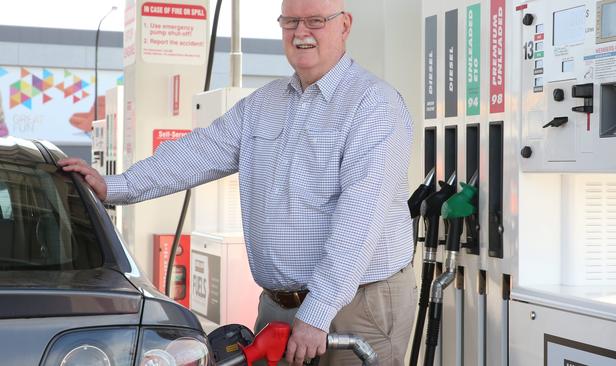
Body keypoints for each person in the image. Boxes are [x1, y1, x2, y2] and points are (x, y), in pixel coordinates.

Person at [58, 0, 416, 364]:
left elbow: (360, 219)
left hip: (356, 302)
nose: (301, 32)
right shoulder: (263, 104)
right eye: (290, 21)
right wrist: (115, 186)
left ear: (344, 25)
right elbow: (197, 153)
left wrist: (319, 308)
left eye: (315, 21)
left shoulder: (373, 105)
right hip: (280, 307)